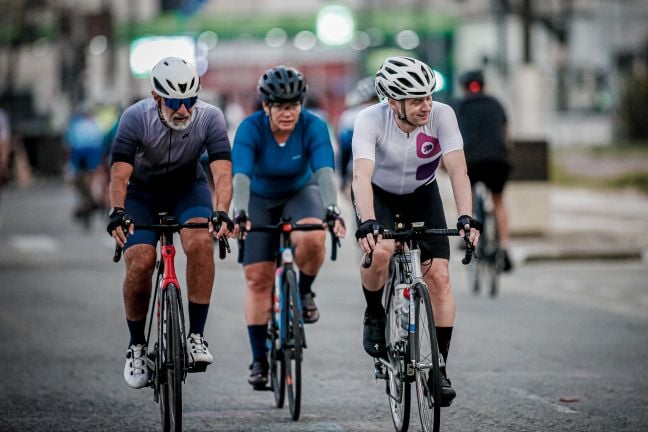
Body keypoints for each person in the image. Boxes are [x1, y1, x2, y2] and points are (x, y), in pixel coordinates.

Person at [351, 56, 481, 407]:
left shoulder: (442, 115)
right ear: (393, 102)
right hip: (379, 194)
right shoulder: (369, 120)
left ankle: (438, 367)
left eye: (428, 96)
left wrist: (467, 216)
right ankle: (374, 312)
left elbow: (457, 170)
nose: (427, 105)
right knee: (380, 251)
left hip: (422, 193)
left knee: (439, 276)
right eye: (416, 100)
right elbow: (361, 175)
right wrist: (366, 221)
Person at [107, 57, 234, 389]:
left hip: (186, 189)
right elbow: (119, 175)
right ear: (156, 97)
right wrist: (117, 211)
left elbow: (222, 173)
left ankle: (196, 336)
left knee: (200, 243)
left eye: (189, 100)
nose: (183, 110)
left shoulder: (210, 117)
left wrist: (221, 210)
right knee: (140, 260)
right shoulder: (135, 118)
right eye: (175, 102)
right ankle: (136, 345)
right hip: (142, 193)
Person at [231, 65, 346, 389]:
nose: (288, 112)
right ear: (266, 106)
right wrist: (239, 211)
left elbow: (324, 170)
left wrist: (332, 208)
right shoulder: (250, 129)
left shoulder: (313, 125)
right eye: (281, 106)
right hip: (259, 198)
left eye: (294, 105)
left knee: (311, 236)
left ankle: (305, 290)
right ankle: (259, 360)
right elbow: (241, 175)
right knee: (258, 279)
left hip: (300, 192)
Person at [452, 69, 513, 271]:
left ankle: (467, 233)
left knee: (465, 194)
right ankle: (504, 247)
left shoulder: (458, 106)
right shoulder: (496, 103)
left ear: (463, 87)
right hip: (498, 159)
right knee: (498, 200)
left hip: (471, 159)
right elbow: (506, 134)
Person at [63, 103, 106, 224]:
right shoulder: (95, 123)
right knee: (94, 175)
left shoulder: (74, 123)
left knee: (73, 177)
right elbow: (101, 141)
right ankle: (93, 197)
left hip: (78, 152)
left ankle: (80, 201)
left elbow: (68, 144)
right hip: (93, 151)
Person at [336, 76, 379, 192]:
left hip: (360, 170)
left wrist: (342, 177)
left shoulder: (350, 116)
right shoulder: (392, 111)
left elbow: (344, 149)